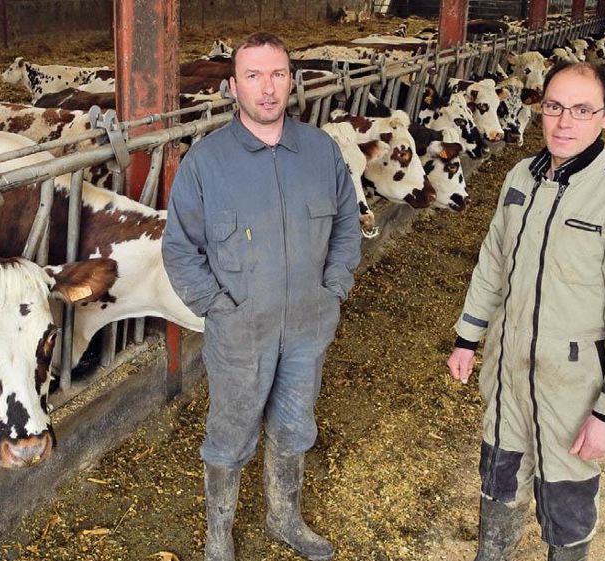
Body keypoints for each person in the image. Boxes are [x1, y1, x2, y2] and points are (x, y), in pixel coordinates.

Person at [446, 61, 605, 561]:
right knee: (498, 478)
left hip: (572, 385)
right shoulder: (520, 177)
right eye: (554, 107)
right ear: (540, 108)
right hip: (508, 370)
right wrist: (468, 335)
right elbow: (494, 259)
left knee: (565, 503)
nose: (565, 122)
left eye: (582, 110)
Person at [162, 32, 361, 561]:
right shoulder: (205, 162)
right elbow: (180, 248)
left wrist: (336, 285)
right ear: (232, 86)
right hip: (240, 330)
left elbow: (346, 221)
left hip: (308, 326)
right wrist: (217, 308)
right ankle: (219, 535)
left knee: (295, 423)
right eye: (253, 76)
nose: (267, 89)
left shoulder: (320, 151)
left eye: (277, 74)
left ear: (291, 80)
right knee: (230, 430)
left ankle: (284, 517)